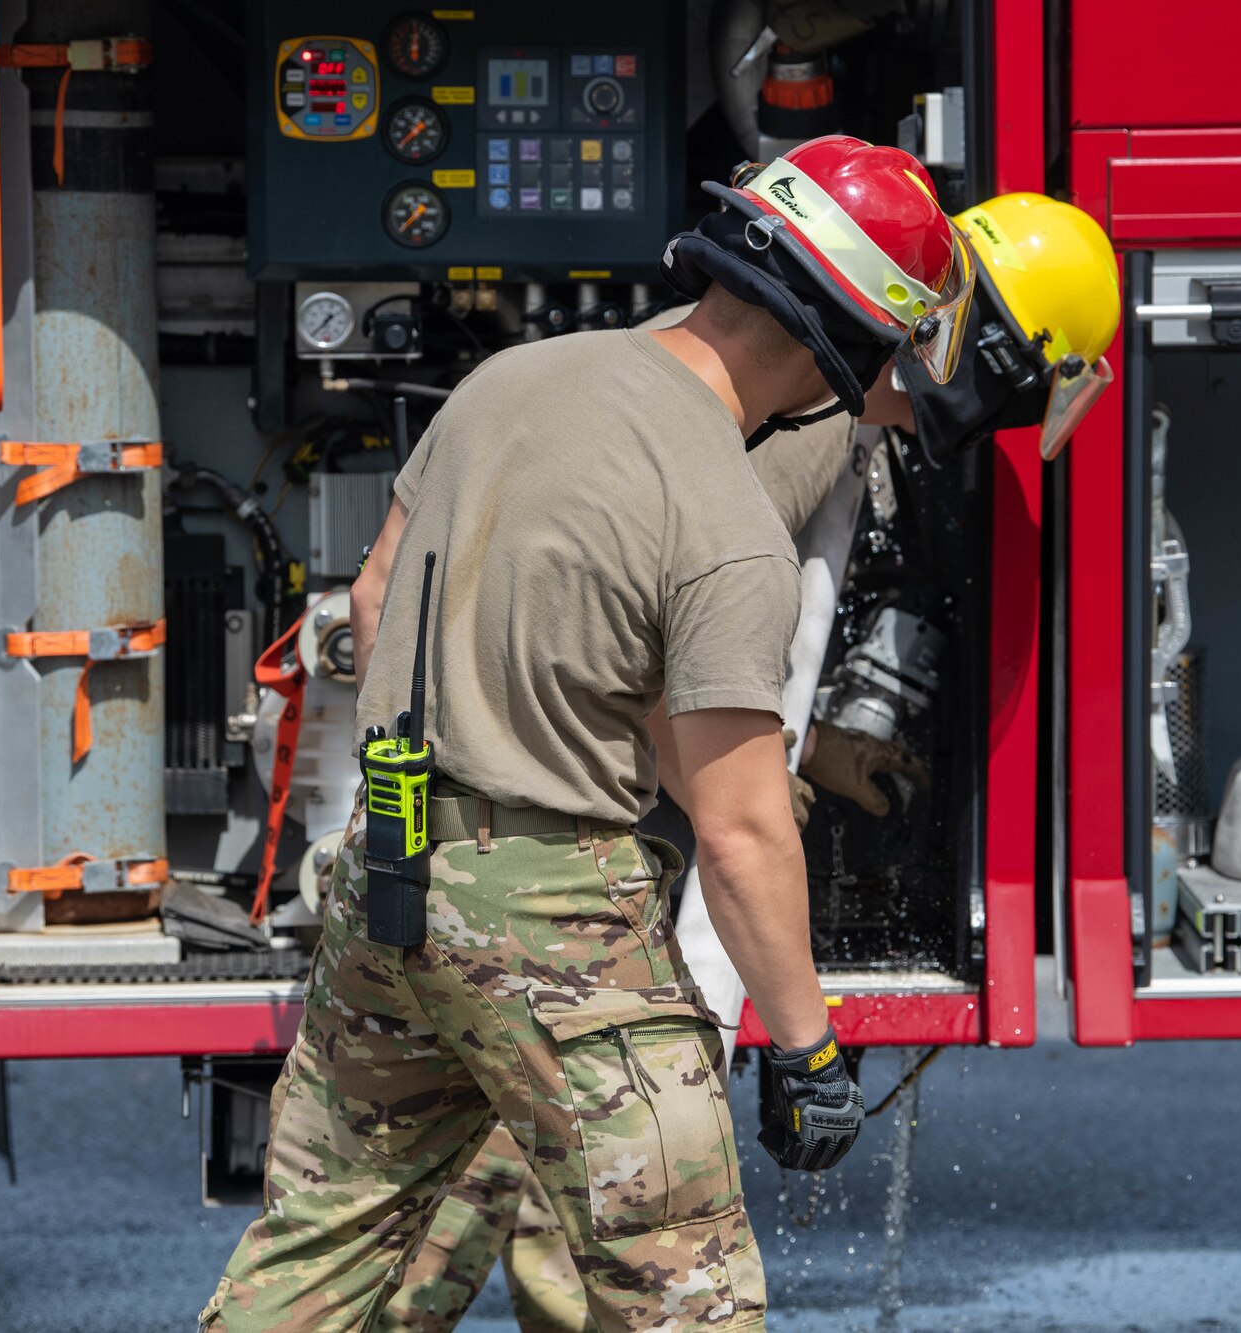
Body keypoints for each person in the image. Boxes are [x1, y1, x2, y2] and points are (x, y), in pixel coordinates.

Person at [198, 134, 974, 1333]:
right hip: (555, 920)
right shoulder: (725, 524)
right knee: (682, 1291)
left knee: (324, 1248)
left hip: (388, 867)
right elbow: (738, 828)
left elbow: (373, 598)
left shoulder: (518, 378)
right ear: (848, 344)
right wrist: (809, 1053)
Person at [362, 190, 1123, 1333]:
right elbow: (675, 665)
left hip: (433, 840)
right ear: (981, 357)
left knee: (406, 1205)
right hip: (581, 867)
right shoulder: (802, 422)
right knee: (636, 1235)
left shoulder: (750, 385)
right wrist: (803, 1029)